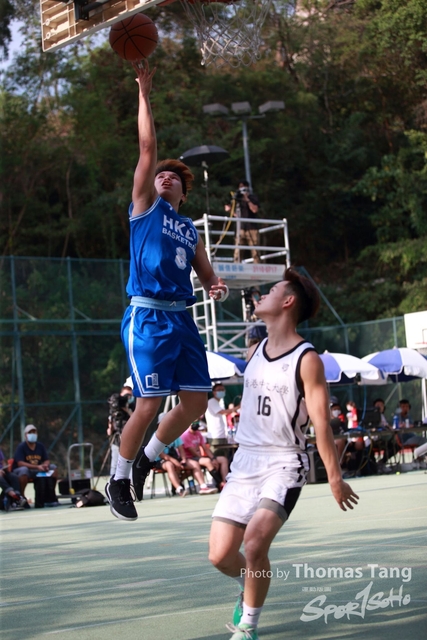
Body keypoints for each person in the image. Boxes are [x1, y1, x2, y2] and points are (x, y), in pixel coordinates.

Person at [105, 61, 228, 522]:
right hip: (149, 317)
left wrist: (215, 285)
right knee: (150, 403)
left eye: (174, 177)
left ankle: (147, 458)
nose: (166, 176)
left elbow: (207, 274)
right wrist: (143, 91)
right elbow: (146, 147)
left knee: (196, 401)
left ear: (183, 193)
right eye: (161, 174)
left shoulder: (188, 229)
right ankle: (118, 479)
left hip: (181, 318)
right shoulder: (144, 208)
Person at [208, 268, 359, 640]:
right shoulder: (255, 350)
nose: (263, 294)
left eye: (272, 290)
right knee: (220, 556)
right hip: (245, 462)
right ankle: (249, 583)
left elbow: (322, 425)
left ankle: (248, 626)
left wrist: (335, 479)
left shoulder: (307, 359)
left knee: (255, 542)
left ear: (288, 301)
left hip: (284, 462)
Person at [12, 425, 59, 505]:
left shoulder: (40, 446)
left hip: (38, 470)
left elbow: (46, 459)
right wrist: (37, 467)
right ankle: (22, 496)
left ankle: (50, 495)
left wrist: (45, 465)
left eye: (34, 432)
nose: (32, 434)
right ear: (25, 435)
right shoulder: (21, 447)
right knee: (24, 470)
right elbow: (20, 463)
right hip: (25, 471)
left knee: (53, 468)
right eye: (30, 432)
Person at [181, 422, 228, 492]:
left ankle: (225, 481)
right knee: (207, 461)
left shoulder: (198, 433)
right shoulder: (185, 435)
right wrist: (204, 458)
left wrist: (213, 458)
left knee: (223, 459)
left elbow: (205, 447)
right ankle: (220, 483)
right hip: (190, 457)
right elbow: (192, 451)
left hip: (199, 457)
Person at [225, 181, 261, 263]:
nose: (242, 189)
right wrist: (230, 210)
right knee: (238, 252)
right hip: (240, 228)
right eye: (240, 187)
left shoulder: (252, 198)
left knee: (255, 252)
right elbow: (233, 212)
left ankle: (257, 267)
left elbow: (255, 210)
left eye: (244, 187)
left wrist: (247, 199)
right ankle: (236, 267)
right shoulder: (237, 199)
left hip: (252, 228)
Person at [107, 385, 134, 476]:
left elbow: (137, 421)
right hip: (116, 441)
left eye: (130, 395)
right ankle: (112, 481)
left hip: (129, 441)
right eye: (126, 395)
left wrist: (127, 410)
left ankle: (130, 482)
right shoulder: (114, 410)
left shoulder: (133, 407)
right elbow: (109, 432)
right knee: (115, 465)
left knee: (129, 464)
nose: (128, 397)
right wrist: (111, 425)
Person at [205, 384, 240, 456]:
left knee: (224, 456)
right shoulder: (212, 402)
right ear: (213, 392)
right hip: (215, 436)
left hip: (222, 435)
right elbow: (224, 412)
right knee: (218, 456)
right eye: (219, 390)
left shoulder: (218, 403)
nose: (221, 391)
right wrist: (238, 407)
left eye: (222, 390)